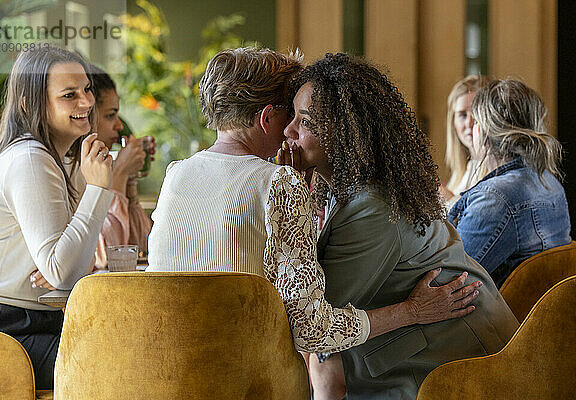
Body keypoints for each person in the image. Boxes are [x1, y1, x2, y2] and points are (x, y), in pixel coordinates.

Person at [147, 47, 481, 356]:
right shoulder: (278, 182)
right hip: (242, 371)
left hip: (170, 364)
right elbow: (312, 330)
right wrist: (412, 310)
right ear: (267, 119)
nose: (291, 128)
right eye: (289, 113)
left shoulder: (177, 173)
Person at [281, 53, 518, 399]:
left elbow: (312, 318)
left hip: (463, 368)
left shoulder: (372, 208)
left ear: (346, 132)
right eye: (292, 117)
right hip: (417, 357)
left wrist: (291, 190)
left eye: (305, 122)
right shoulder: (342, 189)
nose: (289, 132)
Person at [0, 47, 114, 389]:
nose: (85, 103)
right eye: (69, 95)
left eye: (86, 90)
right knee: (118, 365)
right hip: (1, 329)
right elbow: (64, 271)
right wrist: (98, 189)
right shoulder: (29, 160)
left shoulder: (60, 159)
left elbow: (71, 268)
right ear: (28, 104)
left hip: (34, 319)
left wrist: (62, 268)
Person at [449, 79, 571, 287]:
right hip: (539, 316)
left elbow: (448, 281)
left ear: (484, 130)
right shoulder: (551, 182)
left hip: (498, 317)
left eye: (476, 120)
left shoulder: (495, 198)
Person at [85, 65, 153, 267]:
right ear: (86, 115)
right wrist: (121, 173)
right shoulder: (73, 172)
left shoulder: (103, 167)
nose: (119, 126)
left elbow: (140, 247)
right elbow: (104, 257)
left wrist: (130, 180)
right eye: (110, 115)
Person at [440, 75, 489, 209]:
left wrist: (448, 199)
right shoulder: (463, 169)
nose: (469, 123)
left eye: (476, 113)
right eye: (462, 115)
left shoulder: (496, 172)